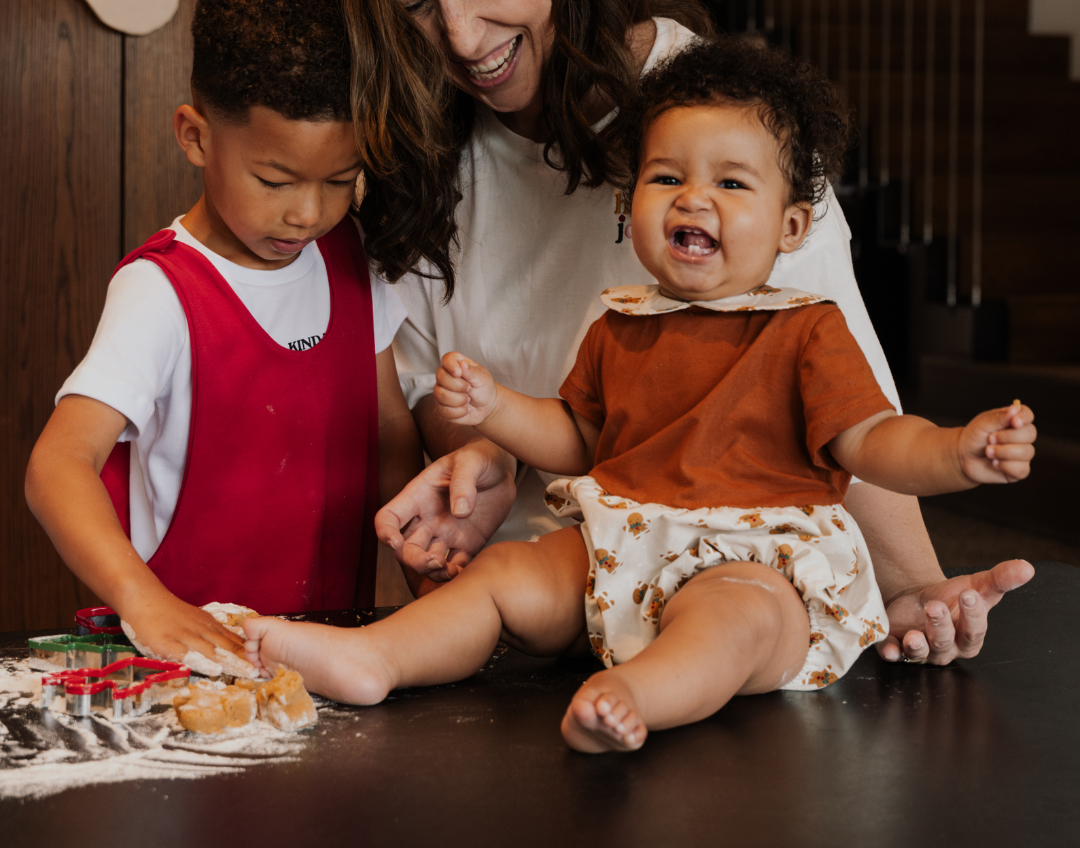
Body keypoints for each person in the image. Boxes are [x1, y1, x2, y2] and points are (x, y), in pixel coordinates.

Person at [307, 0, 1033, 664]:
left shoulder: (718, 133)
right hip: (549, 604)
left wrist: (916, 587)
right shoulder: (412, 156)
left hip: (722, 591)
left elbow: (835, 395)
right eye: (412, 3)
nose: (461, 36)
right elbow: (438, 393)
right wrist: (486, 462)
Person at [241, 38, 1036, 752]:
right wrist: (496, 410)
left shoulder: (806, 331)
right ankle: (377, 658)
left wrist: (958, 451)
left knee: (735, 621)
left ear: (792, 226)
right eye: (667, 177)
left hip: (753, 563)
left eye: (730, 181)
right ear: (630, 205)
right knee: (506, 577)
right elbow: (577, 437)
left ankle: (635, 695)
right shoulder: (622, 324)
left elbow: (873, 443)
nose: (694, 198)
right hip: (619, 547)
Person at [24, 0, 421, 667]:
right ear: (196, 136)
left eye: (340, 180)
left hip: (327, 657)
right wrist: (141, 598)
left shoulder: (349, 255)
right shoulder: (161, 292)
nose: (307, 212)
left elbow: (390, 427)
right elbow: (57, 463)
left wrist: (426, 569)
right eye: (275, 179)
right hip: (188, 666)